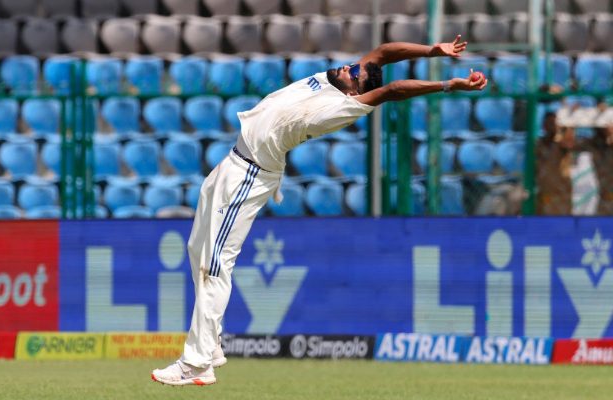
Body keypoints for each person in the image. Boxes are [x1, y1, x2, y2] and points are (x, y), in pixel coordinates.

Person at [151, 35, 487, 386]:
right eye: (354, 67)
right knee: (198, 251)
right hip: (233, 163)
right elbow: (386, 53)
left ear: (355, 94)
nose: (350, 67)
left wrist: (449, 84)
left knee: (214, 265)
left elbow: (394, 88)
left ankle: (196, 363)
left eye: (354, 73)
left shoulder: (344, 106)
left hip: (249, 175)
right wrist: (434, 50)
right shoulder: (333, 80)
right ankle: (212, 343)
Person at [535, 111, 575, 215]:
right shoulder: (538, 144)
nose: (551, 126)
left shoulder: (562, 144)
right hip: (543, 197)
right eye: (548, 123)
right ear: (544, 126)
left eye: (554, 123)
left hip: (561, 199)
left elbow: (569, 142)